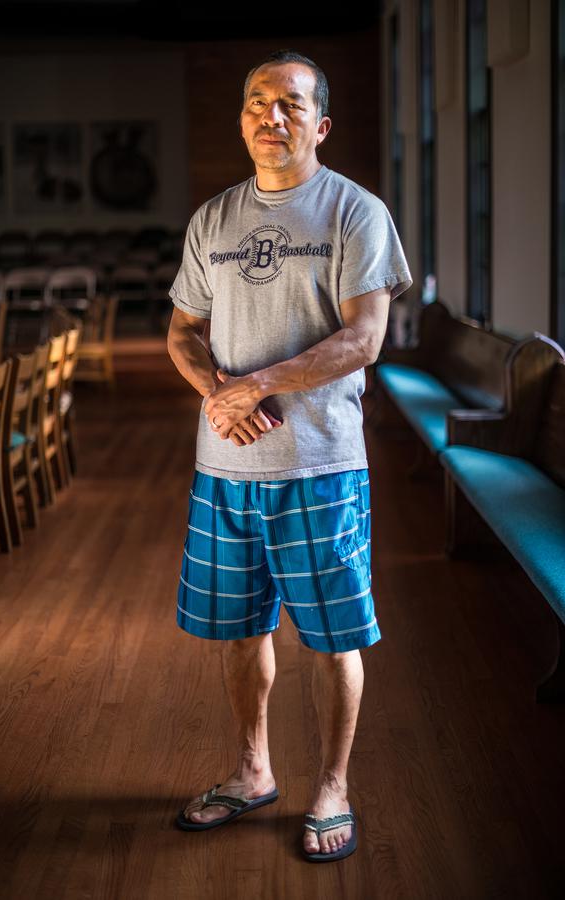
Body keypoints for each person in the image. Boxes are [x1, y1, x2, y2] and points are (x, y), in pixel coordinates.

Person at [167, 48, 413, 862]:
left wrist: (257, 383)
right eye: (257, 102)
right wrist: (218, 396)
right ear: (243, 117)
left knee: (332, 638)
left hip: (320, 465)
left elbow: (366, 337)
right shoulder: (213, 219)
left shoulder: (355, 212)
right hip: (226, 466)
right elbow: (181, 333)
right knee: (240, 633)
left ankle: (333, 785)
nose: (271, 116)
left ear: (322, 124)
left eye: (291, 105)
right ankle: (251, 772)